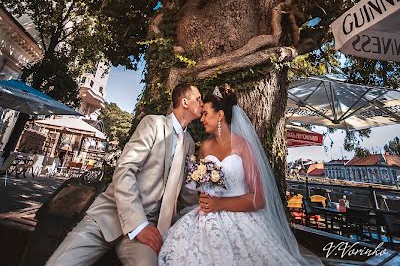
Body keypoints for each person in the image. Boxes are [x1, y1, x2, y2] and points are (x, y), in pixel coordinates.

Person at [158, 84, 322, 266]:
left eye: (205, 114)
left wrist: (219, 204)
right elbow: (199, 186)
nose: (202, 119)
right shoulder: (204, 147)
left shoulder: (243, 146)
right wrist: (204, 196)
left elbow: (258, 199)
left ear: (220, 115)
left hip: (243, 219)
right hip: (206, 217)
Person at [46, 83, 203, 266]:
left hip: (150, 228)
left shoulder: (190, 143)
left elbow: (186, 193)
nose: (201, 103)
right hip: (111, 214)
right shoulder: (154, 123)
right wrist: (138, 224)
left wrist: (207, 212)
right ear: (184, 102)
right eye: (198, 99)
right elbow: (125, 169)